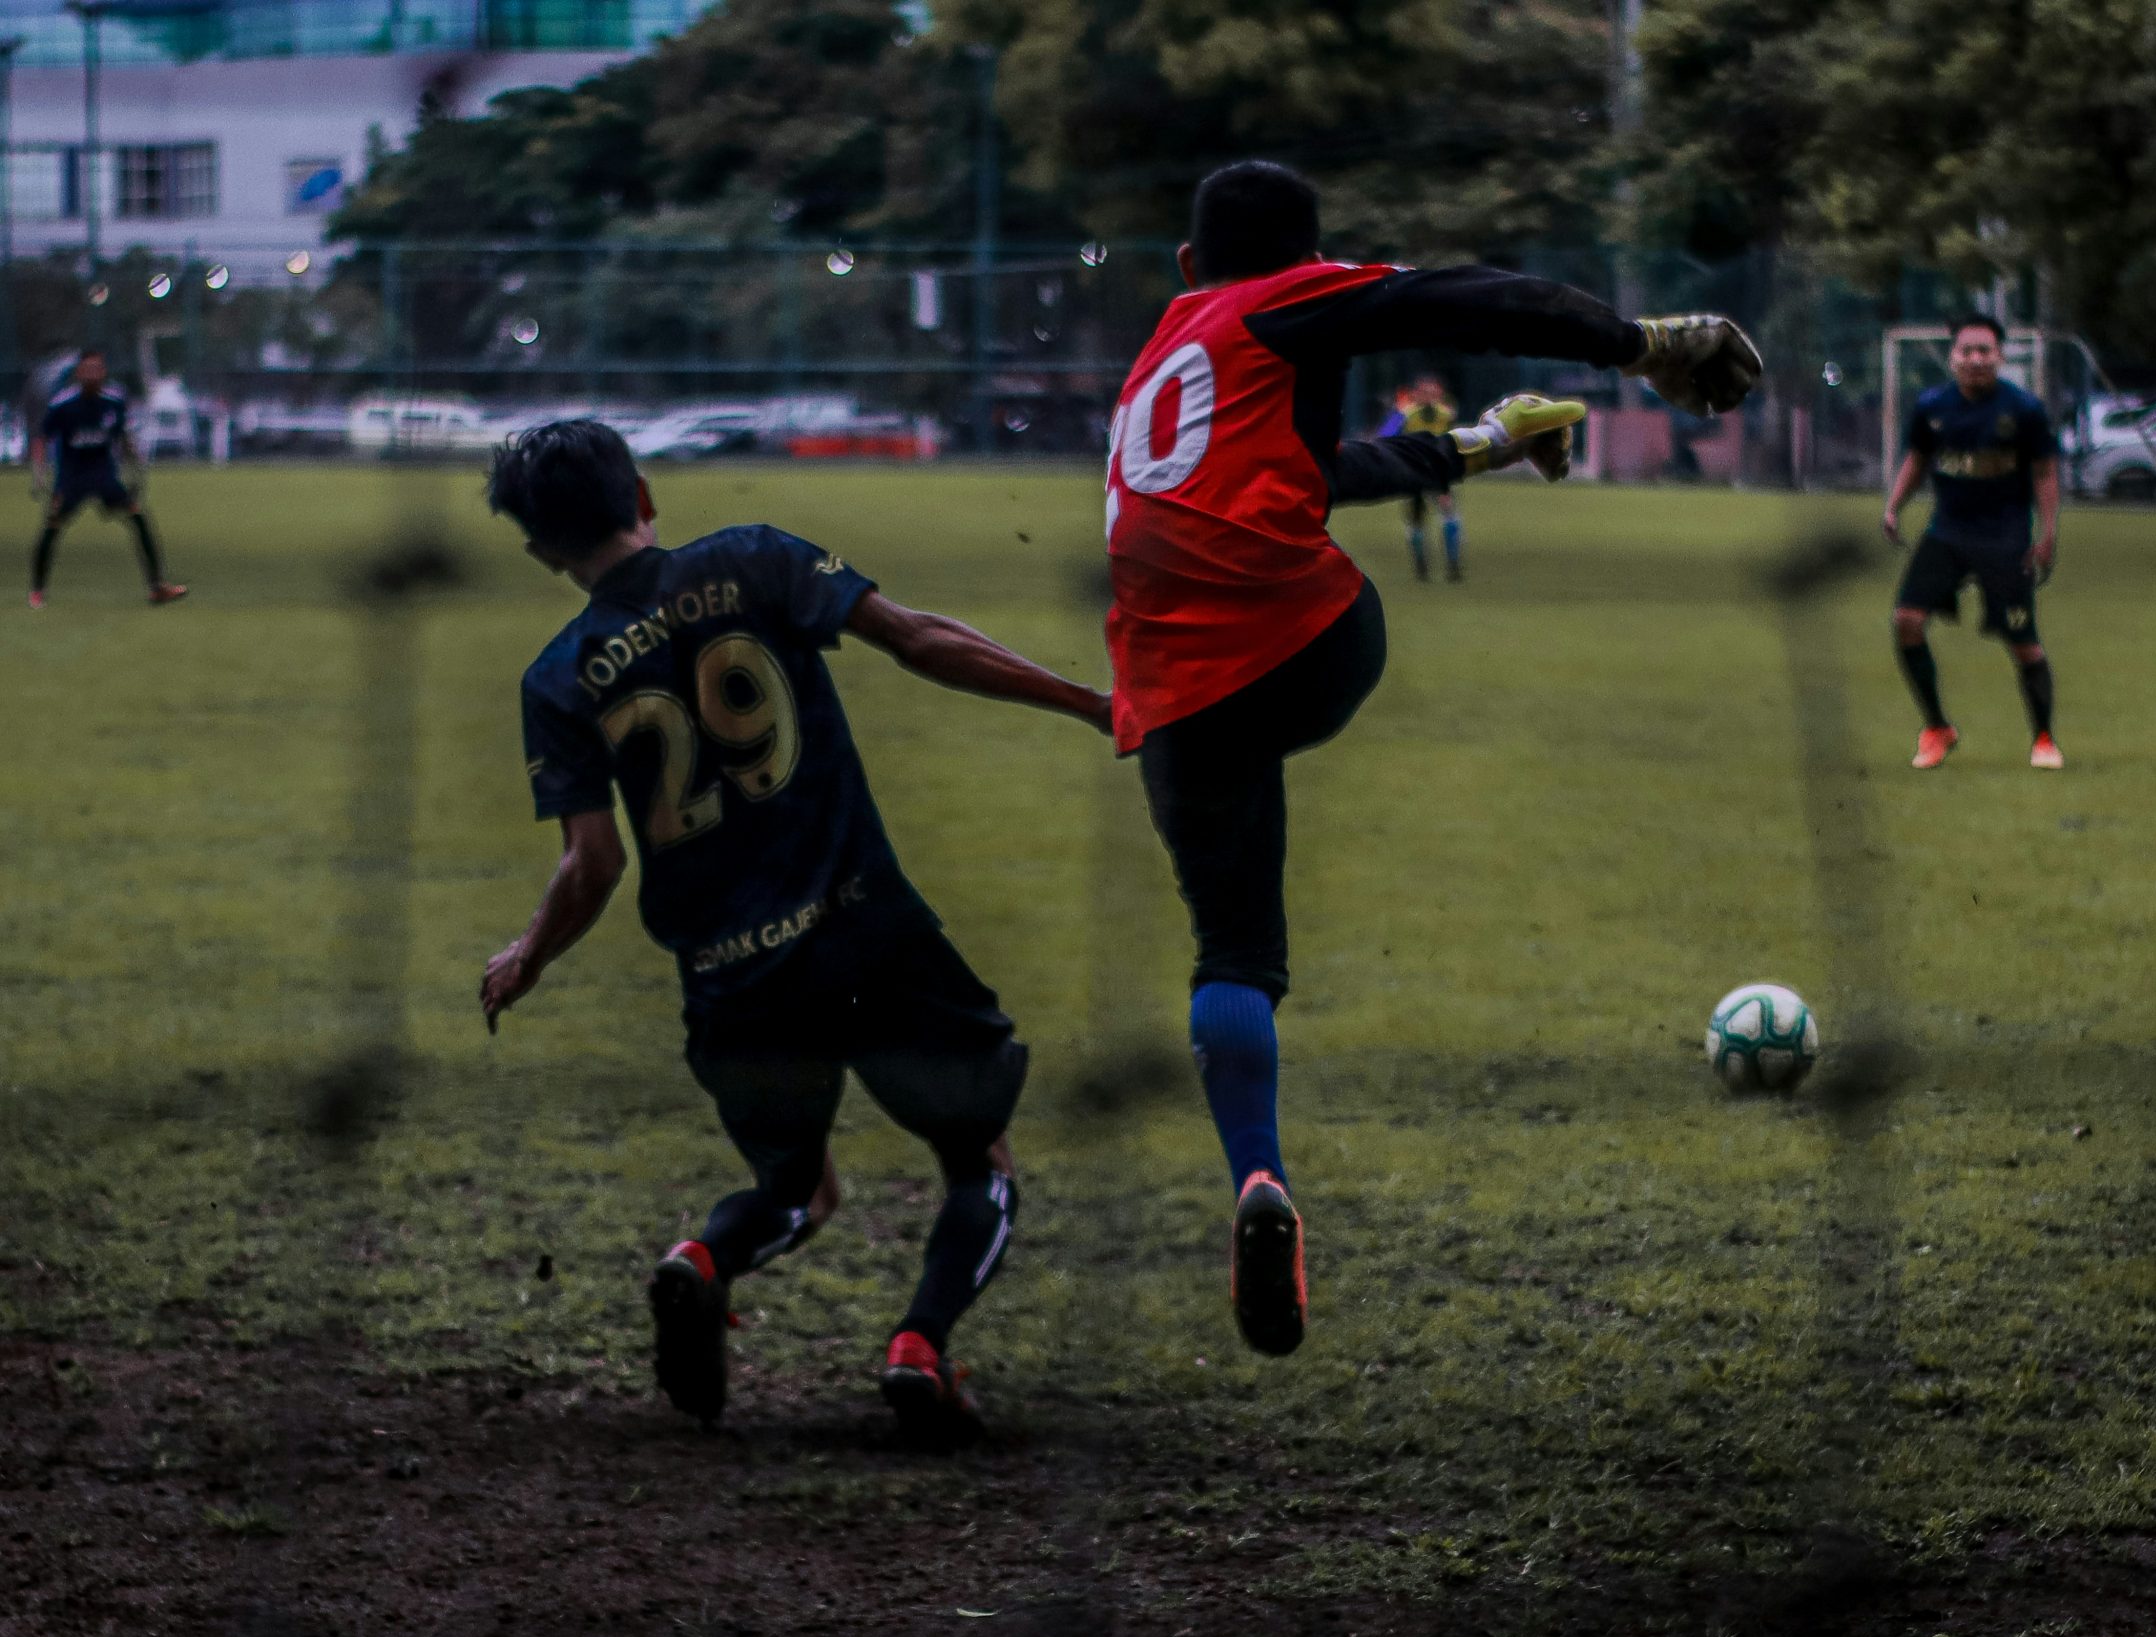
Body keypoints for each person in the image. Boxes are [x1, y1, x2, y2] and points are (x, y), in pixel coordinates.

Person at [1103, 159, 1760, 1357]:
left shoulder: (1168, 348)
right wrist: (1639, 342)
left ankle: (1257, 1178)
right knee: (1318, 656)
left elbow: (1308, 474)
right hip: (1308, 644)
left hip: (1168, 679)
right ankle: (1263, 1195)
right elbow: (1468, 297)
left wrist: (1482, 444)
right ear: (1310, 258)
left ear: (1189, 265)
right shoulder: (1287, 303)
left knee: (1232, 950)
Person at [478, 420, 1111, 1437]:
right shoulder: (755, 559)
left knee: (792, 1186)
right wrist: (1088, 701)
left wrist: (528, 956)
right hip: (867, 929)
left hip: (731, 975)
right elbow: (918, 639)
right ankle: (920, 1345)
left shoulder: (559, 678)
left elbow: (592, 863)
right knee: (977, 1158)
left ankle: (702, 1261)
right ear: (642, 491)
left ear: (542, 548)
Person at [1880, 314, 2063, 770]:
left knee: (2024, 644)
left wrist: (2048, 533)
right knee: (1906, 620)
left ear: (2000, 357)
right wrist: (1893, 506)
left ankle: (2043, 739)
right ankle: (1937, 728)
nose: (1976, 359)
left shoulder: (2023, 410)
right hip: (1948, 533)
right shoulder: (1932, 406)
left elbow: (2044, 473)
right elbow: (1917, 460)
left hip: (2005, 540)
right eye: (1967, 351)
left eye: (1985, 351)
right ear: (1953, 357)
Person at [28, 350, 184, 609]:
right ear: (78, 373)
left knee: (138, 517)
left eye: (96, 369)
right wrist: (39, 474)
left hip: (103, 475)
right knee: (52, 526)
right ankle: (37, 590)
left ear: (103, 372)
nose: (91, 374)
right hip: (71, 477)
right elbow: (41, 437)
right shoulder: (63, 405)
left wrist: (135, 465)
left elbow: (123, 437)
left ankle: (157, 587)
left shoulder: (113, 402)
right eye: (86, 369)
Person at [1377, 375, 1464, 581]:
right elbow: (1385, 434)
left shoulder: (1446, 414)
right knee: (1417, 519)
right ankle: (1421, 564)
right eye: (1425, 393)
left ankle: (1453, 565)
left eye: (1433, 393)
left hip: (1438, 471)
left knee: (1447, 508)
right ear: (1416, 394)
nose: (1429, 397)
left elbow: (1456, 438)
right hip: (1414, 471)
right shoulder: (1406, 414)